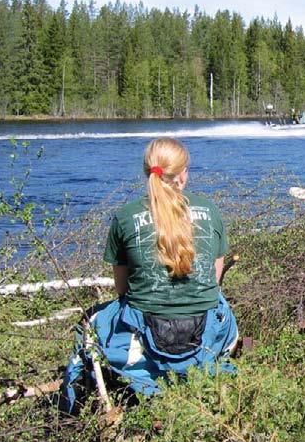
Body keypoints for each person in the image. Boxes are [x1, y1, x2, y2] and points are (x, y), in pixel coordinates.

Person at [60, 137, 238, 412]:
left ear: (148, 171)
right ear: (182, 174)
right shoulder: (210, 210)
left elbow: (122, 288)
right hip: (206, 329)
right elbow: (213, 282)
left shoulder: (125, 216)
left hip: (147, 328)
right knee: (221, 305)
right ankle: (200, 371)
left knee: (89, 324)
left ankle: (71, 409)